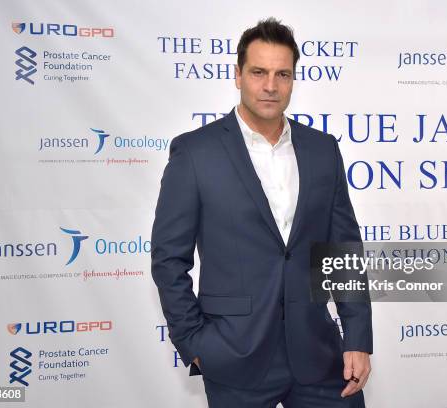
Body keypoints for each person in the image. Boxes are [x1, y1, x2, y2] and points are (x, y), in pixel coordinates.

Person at [151, 17, 372, 408]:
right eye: (258, 72)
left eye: (282, 74)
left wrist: (356, 338)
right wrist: (196, 343)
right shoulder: (195, 153)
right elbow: (169, 259)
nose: (270, 86)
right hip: (234, 358)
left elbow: (342, 251)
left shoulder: (323, 150)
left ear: (293, 79)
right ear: (237, 75)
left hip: (320, 356)